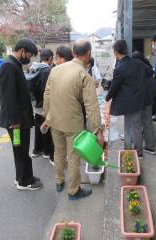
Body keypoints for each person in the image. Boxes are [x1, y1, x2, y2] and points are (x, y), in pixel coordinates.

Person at [42, 39, 103, 200]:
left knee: (58, 151)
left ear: (74, 53)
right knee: (74, 156)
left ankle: (59, 181)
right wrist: (98, 129)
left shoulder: (55, 70)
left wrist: (47, 117)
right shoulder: (84, 75)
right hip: (73, 123)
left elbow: (47, 95)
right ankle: (73, 190)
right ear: (88, 54)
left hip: (54, 120)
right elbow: (92, 106)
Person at [0, 38, 43, 191]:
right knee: (21, 150)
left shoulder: (13, 65)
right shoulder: (9, 66)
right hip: (16, 121)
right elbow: (9, 97)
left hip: (19, 119)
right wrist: (15, 121)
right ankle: (25, 182)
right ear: (22, 50)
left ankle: (23, 177)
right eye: (29, 55)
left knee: (21, 150)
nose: (29, 58)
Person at [105, 40, 154, 158]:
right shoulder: (137, 62)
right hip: (144, 97)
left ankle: (139, 152)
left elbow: (114, 86)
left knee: (135, 126)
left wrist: (107, 98)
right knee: (146, 123)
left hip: (132, 102)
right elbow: (150, 71)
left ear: (116, 52)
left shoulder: (120, 67)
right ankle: (150, 147)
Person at [28, 49, 55, 166]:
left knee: (39, 128)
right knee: (47, 128)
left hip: (35, 104)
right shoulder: (48, 71)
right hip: (45, 105)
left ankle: (37, 150)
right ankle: (47, 152)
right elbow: (47, 90)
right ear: (50, 58)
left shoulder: (33, 68)